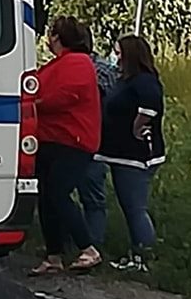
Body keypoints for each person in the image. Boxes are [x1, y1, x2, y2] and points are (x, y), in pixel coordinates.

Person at [32, 16, 103, 275]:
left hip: (73, 141)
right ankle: (54, 255)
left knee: (57, 193)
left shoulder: (77, 63)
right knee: (47, 197)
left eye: (52, 35)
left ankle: (88, 248)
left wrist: (33, 105)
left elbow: (65, 97)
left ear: (58, 38)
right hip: (52, 139)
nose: (49, 40)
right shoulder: (60, 64)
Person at [98, 33, 165, 269]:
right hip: (122, 154)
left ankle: (144, 257)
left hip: (134, 157)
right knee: (131, 207)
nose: (115, 57)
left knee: (135, 208)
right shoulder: (128, 79)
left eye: (118, 53)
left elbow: (150, 108)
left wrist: (136, 126)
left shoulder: (144, 81)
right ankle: (138, 254)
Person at [78, 41, 118, 250]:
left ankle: (93, 243)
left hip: (92, 140)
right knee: (89, 195)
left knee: (91, 195)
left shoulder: (98, 70)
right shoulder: (104, 68)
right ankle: (88, 241)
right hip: (93, 139)